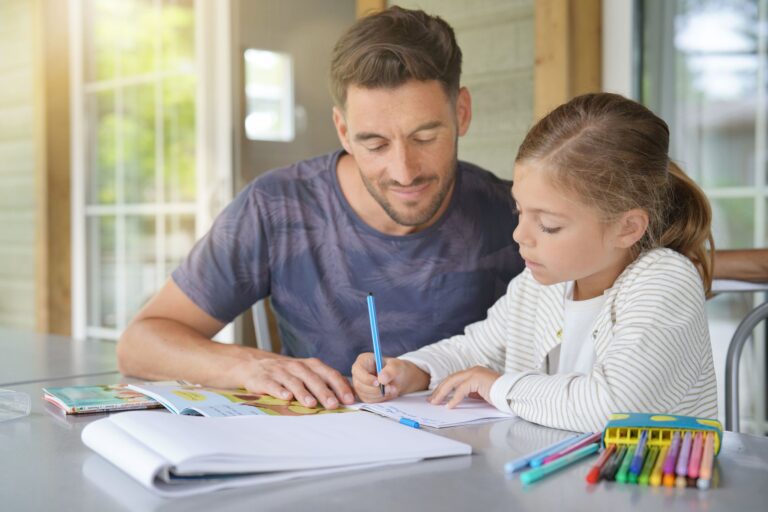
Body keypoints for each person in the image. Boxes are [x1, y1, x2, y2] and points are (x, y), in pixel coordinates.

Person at [117, 7, 523, 410]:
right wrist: (249, 364)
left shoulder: (519, 215)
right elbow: (141, 344)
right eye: (375, 144)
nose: (403, 171)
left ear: (462, 113)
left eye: (425, 136)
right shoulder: (277, 206)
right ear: (343, 130)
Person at [352, 93, 719, 433]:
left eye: (548, 224)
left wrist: (498, 386)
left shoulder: (665, 282)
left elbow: (614, 407)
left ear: (627, 228)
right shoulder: (539, 285)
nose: (519, 235)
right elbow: (475, 348)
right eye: (519, 209)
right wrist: (411, 370)